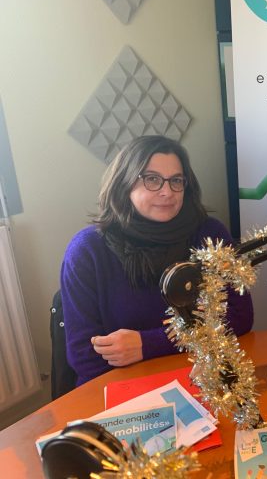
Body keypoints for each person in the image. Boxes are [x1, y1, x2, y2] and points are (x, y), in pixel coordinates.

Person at [61, 135, 254, 385]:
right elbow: (84, 356)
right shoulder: (88, 250)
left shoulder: (210, 234)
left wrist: (147, 344)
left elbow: (240, 317)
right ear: (125, 183)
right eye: (152, 179)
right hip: (122, 385)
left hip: (198, 374)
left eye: (176, 180)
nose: (167, 192)